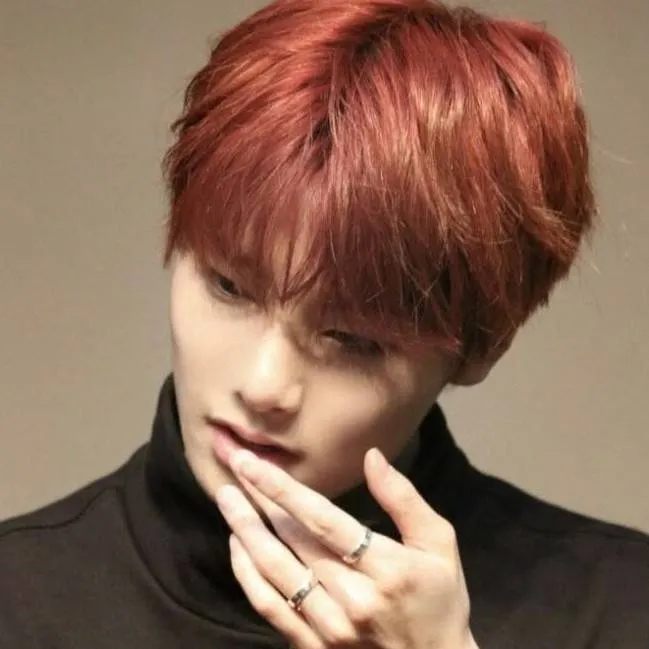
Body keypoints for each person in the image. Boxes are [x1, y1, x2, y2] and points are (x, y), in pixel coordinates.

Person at [1, 0, 648, 647]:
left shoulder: (619, 607)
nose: (263, 386)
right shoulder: (19, 597)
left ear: (483, 348)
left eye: (352, 339)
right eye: (229, 286)